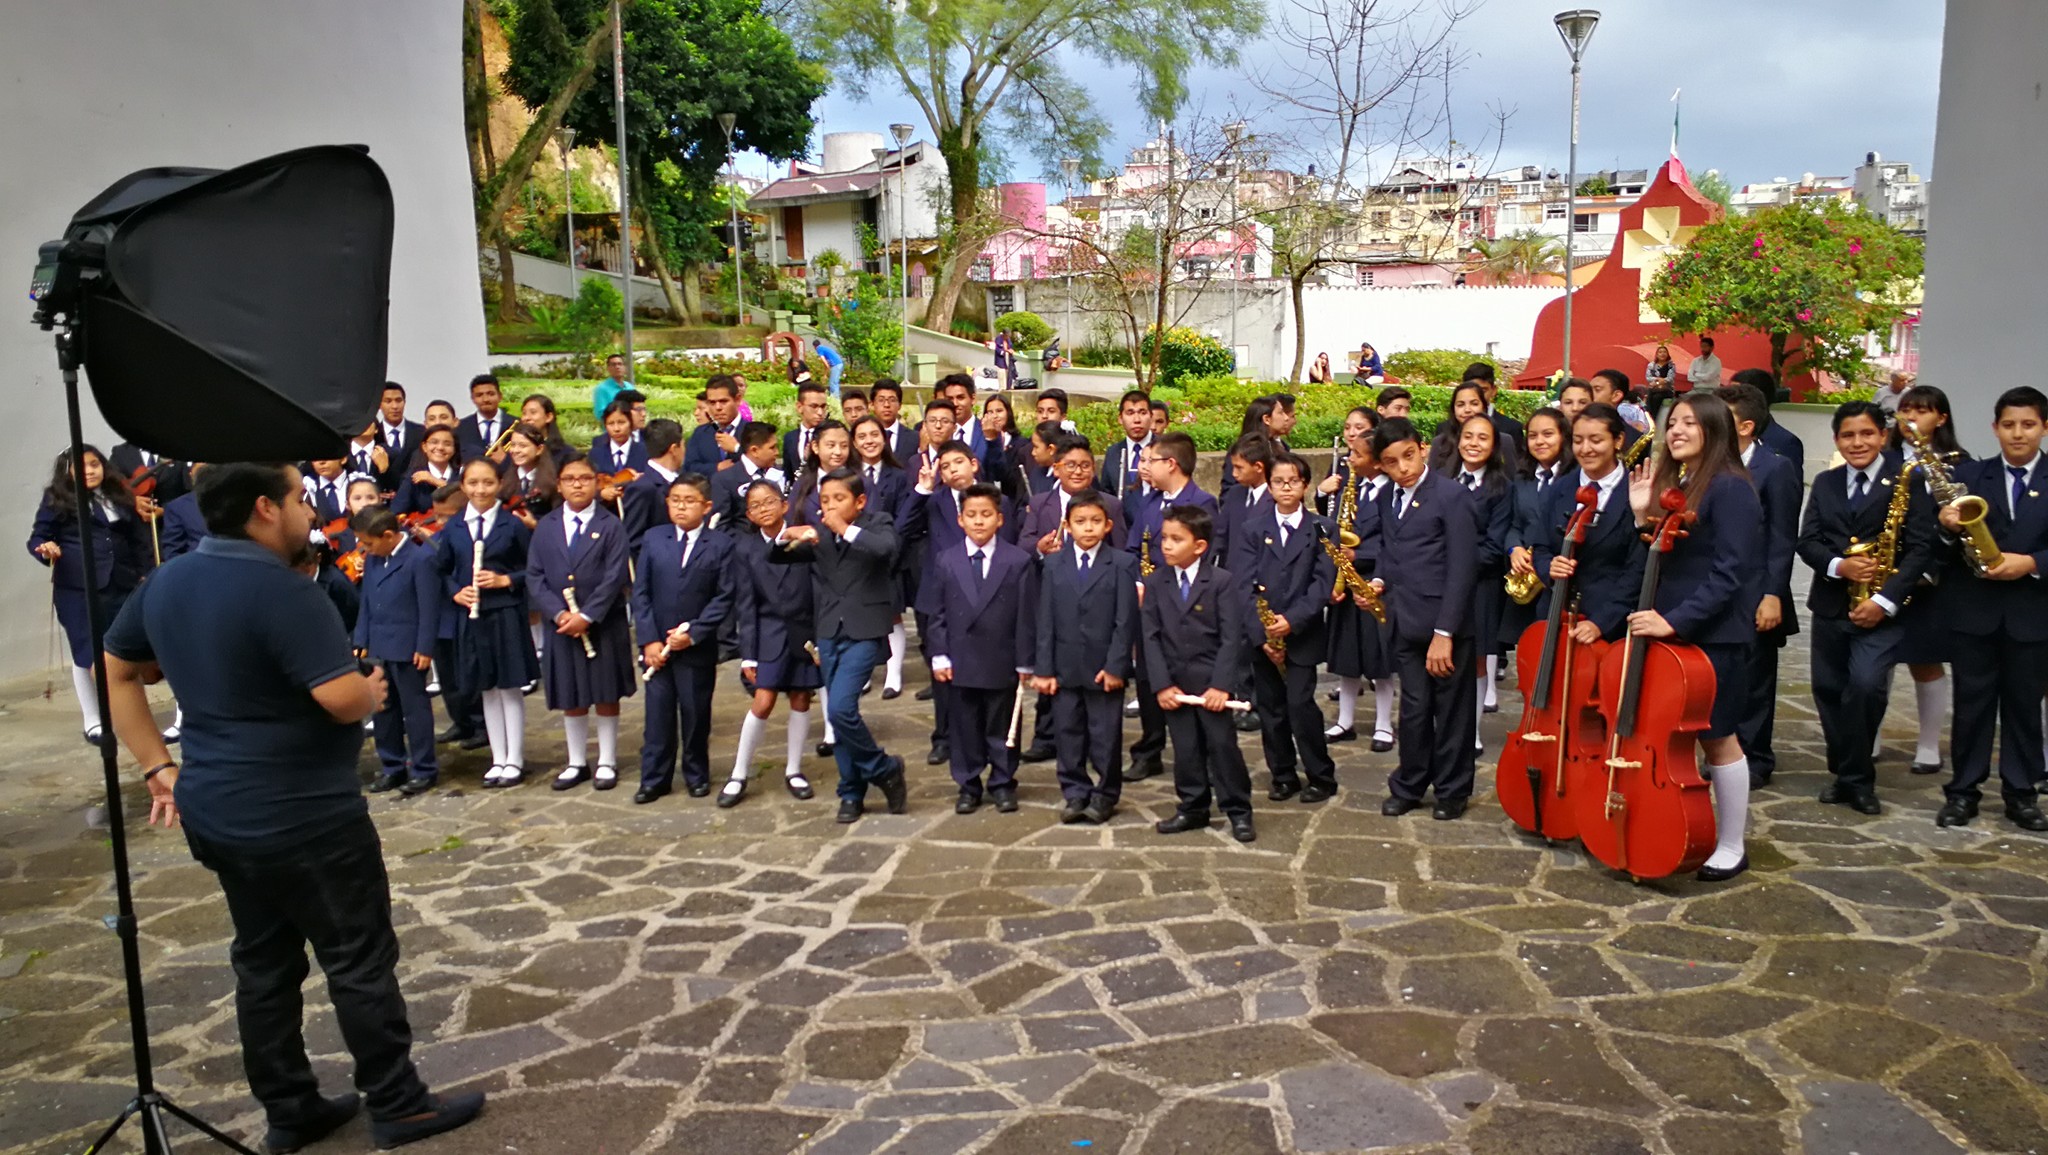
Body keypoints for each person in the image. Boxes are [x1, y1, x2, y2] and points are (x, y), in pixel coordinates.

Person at [102, 462, 485, 1152]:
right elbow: (338, 698)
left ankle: (290, 1106)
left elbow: (119, 669)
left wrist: (158, 766)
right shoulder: (285, 590)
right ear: (264, 509)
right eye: (301, 500)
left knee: (262, 960)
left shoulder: (169, 578)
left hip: (217, 807)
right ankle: (398, 1102)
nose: (311, 511)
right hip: (307, 813)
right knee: (358, 956)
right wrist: (370, 689)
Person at [1623, 391, 1763, 880]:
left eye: (1688, 423)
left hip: (1713, 635)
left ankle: (1731, 843)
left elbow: (1731, 573)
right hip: (1672, 629)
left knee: (1719, 738)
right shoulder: (1681, 482)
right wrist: (1643, 517)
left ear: (1714, 430)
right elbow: (1662, 562)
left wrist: (1675, 621)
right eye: (1672, 423)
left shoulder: (1731, 487)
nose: (1675, 431)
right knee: (1674, 738)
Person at [1796, 401, 1935, 815]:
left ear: (1882, 436)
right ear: (1837, 440)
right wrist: (1840, 565)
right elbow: (1808, 542)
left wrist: (1883, 599)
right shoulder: (1825, 482)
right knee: (1829, 690)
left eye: (1867, 434)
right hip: (1831, 605)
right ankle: (1845, 772)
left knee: (1867, 685)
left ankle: (1858, 780)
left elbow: (1921, 548)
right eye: (1848, 435)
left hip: (1882, 609)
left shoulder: (1909, 482)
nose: (1858, 442)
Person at [1935, 385, 2048, 831]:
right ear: (1994, 428)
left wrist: (2033, 563)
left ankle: (2022, 795)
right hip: (1975, 615)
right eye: (2008, 425)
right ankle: (1963, 792)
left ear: (2044, 427)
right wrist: (1945, 528)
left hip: (2032, 615)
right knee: (1971, 707)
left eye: (2028, 424)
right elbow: (1940, 550)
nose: (2017, 434)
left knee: (2024, 708)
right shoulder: (1969, 478)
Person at [770, 466, 909, 823]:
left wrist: (845, 530)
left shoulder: (877, 523)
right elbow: (778, 556)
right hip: (829, 630)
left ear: (859, 501)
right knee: (838, 715)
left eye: (839, 499)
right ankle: (853, 791)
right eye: (825, 499)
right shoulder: (819, 533)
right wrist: (787, 534)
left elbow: (886, 550)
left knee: (842, 709)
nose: (829, 506)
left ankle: (884, 767)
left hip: (865, 629)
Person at [1371, 417, 1480, 821]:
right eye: (1391, 462)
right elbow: (1388, 548)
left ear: (1422, 448)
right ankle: (1410, 783)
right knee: (1413, 710)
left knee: (1451, 710)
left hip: (1444, 625)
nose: (1403, 468)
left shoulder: (1451, 496)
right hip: (1403, 620)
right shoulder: (1387, 498)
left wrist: (1445, 632)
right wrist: (1379, 581)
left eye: (1408, 456)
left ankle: (1452, 790)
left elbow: (1462, 567)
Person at [1144, 505, 1256, 843]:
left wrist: (1221, 685)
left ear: (1200, 546)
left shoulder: (1220, 582)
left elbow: (1230, 637)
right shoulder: (1156, 582)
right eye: (1164, 538)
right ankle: (1192, 806)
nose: (1166, 545)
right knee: (1185, 748)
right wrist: (1162, 684)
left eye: (1176, 539)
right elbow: (1149, 636)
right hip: (1175, 684)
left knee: (1222, 746)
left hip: (1211, 683)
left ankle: (1238, 809)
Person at [29, 445, 155, 745]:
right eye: (81, 466)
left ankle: (127, 712)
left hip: (121, 583)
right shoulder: (56, 499)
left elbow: (138, 539)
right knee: (87, 651)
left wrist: (146, 573)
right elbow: (38, 536)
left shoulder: (119, 495)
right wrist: (46, 550)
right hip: (79, 588)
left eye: (95, 464)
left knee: (121, 650)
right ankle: (94, 719)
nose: (90, 470)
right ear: (68, 471)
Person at [923, 482, 1038, 813]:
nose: (978, 522)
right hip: (960, 658)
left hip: (1000, 657)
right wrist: (940, 655)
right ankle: (968, 783)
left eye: (986, 514)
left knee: (1001, 725)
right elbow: (937, 613)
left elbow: (1026, 615)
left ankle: (1003, 781)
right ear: (960, 520)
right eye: (971, 515)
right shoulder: (946, 560)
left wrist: (1025, 662)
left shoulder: (1017, 561)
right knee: (964, 726)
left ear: (999, 519)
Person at [1233, 451, 1339, 804]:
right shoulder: (1252, 529)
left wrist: (1291, 621)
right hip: (1262, 635)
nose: (1286, 488)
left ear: (1306, 485)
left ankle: (1321, 775)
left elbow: (1321, 585)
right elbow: (1242, 583)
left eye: (1293, 481)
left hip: (1301, 632)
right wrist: (1263, 631)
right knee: (1271, 708)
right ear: (1269, 486)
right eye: (1278, 482)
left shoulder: (1322, 529)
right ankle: (1282, 774)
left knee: (1300, 704)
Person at [529, 459, 635, 793]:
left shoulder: (610, 524)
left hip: (601, 622)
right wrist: (559, 614)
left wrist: (587, 615)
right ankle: (576, 761)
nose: (577, 485)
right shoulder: (546, 525)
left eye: (585, 479)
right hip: (561, 624)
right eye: (570, 479)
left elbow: (615, 573)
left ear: (596, 482)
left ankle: (607, 760)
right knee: (571, 693)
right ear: (559, 485)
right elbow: (535, 575)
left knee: (605, 691)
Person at [1032, 492, 1139, 824]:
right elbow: (1045, 618)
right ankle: (1075, 791)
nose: (1088, 529)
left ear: (1107, 526)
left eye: (1095, 521)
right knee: (1068, 732)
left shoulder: (1122, 564)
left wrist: (1116, 665)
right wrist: (1044, 669)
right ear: (1067, 526)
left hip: (1103, 665)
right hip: (1065, 665)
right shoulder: (1052, 564)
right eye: (1080, 522)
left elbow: (1125, 621)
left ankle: (1105, 794)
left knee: (1105, 735)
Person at [632, 474, 734, 802]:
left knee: (695, 712)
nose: (681, 507)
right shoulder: (654, 539)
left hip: (695, 647)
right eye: (675, 500)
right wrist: (648, 639)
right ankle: (655, 777)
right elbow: (641, 592)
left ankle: (696, 773)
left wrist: (694, 632)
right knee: (658, 715)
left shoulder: (720, 544)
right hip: (657, 646)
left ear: (706, 506)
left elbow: (724, 596)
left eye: (689, 501)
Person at [438, 458, 538, 787]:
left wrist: (504, 581)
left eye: (488, 483)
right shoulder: (454, 526)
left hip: (504, 612)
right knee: (487, 688)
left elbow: (532, 570)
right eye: (473, 483)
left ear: (499, 485)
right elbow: (443, 571)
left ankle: (516, 758)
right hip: (473, 615)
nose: (481, 490)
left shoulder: (511, 525)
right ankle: (498, 758)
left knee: (509, 686)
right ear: (463, 486)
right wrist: (457, 593)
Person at [723, 478, 820, 807]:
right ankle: (738, 773)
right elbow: (746, 605)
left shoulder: (803, 538)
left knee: (801, 699)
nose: (763, 509)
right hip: (768, 634)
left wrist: (819, 639)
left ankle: (794, 769)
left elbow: (817, 590)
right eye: (755, 506)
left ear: (784, 505)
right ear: (748, 514)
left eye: (769, 502)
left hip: (804, 633)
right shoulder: (745, 549)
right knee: (763, 701)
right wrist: (747, 655)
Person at [1724, 384, 1802, 789]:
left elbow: (1782, 537)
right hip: (1721, 590)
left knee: (1756, 679)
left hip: (1758, 591)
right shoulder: (1709, 464)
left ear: (1746, 426)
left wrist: (1773, 593)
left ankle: (1756, 757)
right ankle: (1726, 752)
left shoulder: (1775, 467)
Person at [1887, 384, 1967, 775]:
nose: (1911, 418)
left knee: (1925, 659)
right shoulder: (1882, 458)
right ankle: (1868, 736)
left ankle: (1929, 745)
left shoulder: (1959, 464)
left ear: (1941, 418)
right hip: (1885, 570)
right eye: (1906, 410)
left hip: (1932, 574)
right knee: (1876, 659)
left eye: (1921, 411)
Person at [351, 508, 441, 795]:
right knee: (384, 709)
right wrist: (361, 638)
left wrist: (425, 645)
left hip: (408, 645)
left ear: (388, 536)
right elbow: (366, 600)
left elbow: (429, 607)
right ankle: (392, 766)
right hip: (379, 643)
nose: (365, 548)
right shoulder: (375, 559)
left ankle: (423, 768)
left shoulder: (420, 559)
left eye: (368, 542)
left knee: (415, 710)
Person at [1436, 414, 1515, 732]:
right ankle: (1440, 725)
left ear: (1494, 445)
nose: (1474, 444)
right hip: (1439, 584)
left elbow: (1495, 545)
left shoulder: (1502, 489)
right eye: (1469, 436)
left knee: (1479, 659)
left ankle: (1474, 730)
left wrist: (1457, 565)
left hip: (1481, 584)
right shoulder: (1441, 481)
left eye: (1483, 438)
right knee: (1441, 655)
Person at [1322, 421, 1398, 751]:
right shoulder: (1349, 487)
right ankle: (1345, 720)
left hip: (1374, 583)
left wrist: (1360, 553)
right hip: (1347, 581)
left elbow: (1390, 542)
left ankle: (1383, 724)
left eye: (1357, 453)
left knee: (1379, 657)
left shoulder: (1390, 492)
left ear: (1377, 460)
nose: (1350, 457)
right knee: (1347, 655)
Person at [847, 415, 912, 700]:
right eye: (862, 436)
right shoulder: (847, 476)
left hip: (890, 554)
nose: (869, 441)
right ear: (854, 442)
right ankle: (864, 673)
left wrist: (888, 546)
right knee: (862, 614)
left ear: (884, 439)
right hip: (855, 555)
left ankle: (893, 673)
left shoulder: (899, 475)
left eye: (874, 435)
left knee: (892, 613)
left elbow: (904, 518)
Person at [1501, 407, 1572, 650]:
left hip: (1561, 579)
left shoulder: (1577, 476)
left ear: (1564, 436)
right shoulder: (1523, 477)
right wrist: (1514, 549)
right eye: (1533, 436)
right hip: (1526, 577)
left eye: (1548, 434)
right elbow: (1514, 523)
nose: (1539, 441)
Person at [710, 421, 785, 533]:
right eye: (772, 448)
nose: (777, 452)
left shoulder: (778, 473)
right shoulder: (724, 480)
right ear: (754, 450)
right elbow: (722, 527)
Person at [1730, 368, 1806, 475]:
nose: (1725, 401)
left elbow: (1787, 488)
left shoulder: (1785, 442)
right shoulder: (1720, 437)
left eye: (1734, 396)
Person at [1097, 390, 1155, 499]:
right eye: (1130, 413)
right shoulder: (1113, 453)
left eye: (1142, 413)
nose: (1137, 420)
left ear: (1151, 417)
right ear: (1120, 419)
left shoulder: (1165, 449)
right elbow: (1106, 493)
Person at [393, 425, 461, 517]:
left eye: (447, 444)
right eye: (434, 442)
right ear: (424, 447)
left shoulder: (463, 473)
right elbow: (396, 512)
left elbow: (466, 500)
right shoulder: (414, 476)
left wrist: (436, 481)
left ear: (454, 449)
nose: (440, 447)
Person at [456, 374, 513, 471]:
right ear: (472, 399)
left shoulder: (516, 425)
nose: (485, 399)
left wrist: (505, 460)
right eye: (479, 395)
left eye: (491, 394)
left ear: (500, 396)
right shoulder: (461, 427)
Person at [519, 393, 582, 470]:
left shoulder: (566, 453)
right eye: (524, 413)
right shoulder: (516, 448)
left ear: (549, 417)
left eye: (533, 412)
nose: (526, 418)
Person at [589, 400, 650, 477]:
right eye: (611, 424)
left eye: (621, 422)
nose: (616, 429)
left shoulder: (646, 452)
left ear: (630, 423)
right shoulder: (595, 454)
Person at [783, 382, 832, 478]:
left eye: (823, 407)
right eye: (814, 406)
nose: (820, 412)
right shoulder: (790, 438)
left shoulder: (832, 436)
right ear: (799, 407)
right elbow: (788, 474)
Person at [871, 380, 919, 463]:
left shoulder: (915, 438)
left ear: (900, 405)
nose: (887, 405)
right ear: (872, 405)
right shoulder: (864, 437)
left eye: (892, 400)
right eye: (881, 400)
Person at [592, 353, 633, 420]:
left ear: (624, 367)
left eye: (620, 364)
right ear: (608, 368)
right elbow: (600, 414)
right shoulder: (601, 389)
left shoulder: (630, 387)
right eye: (614, 364)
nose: (617, 367)